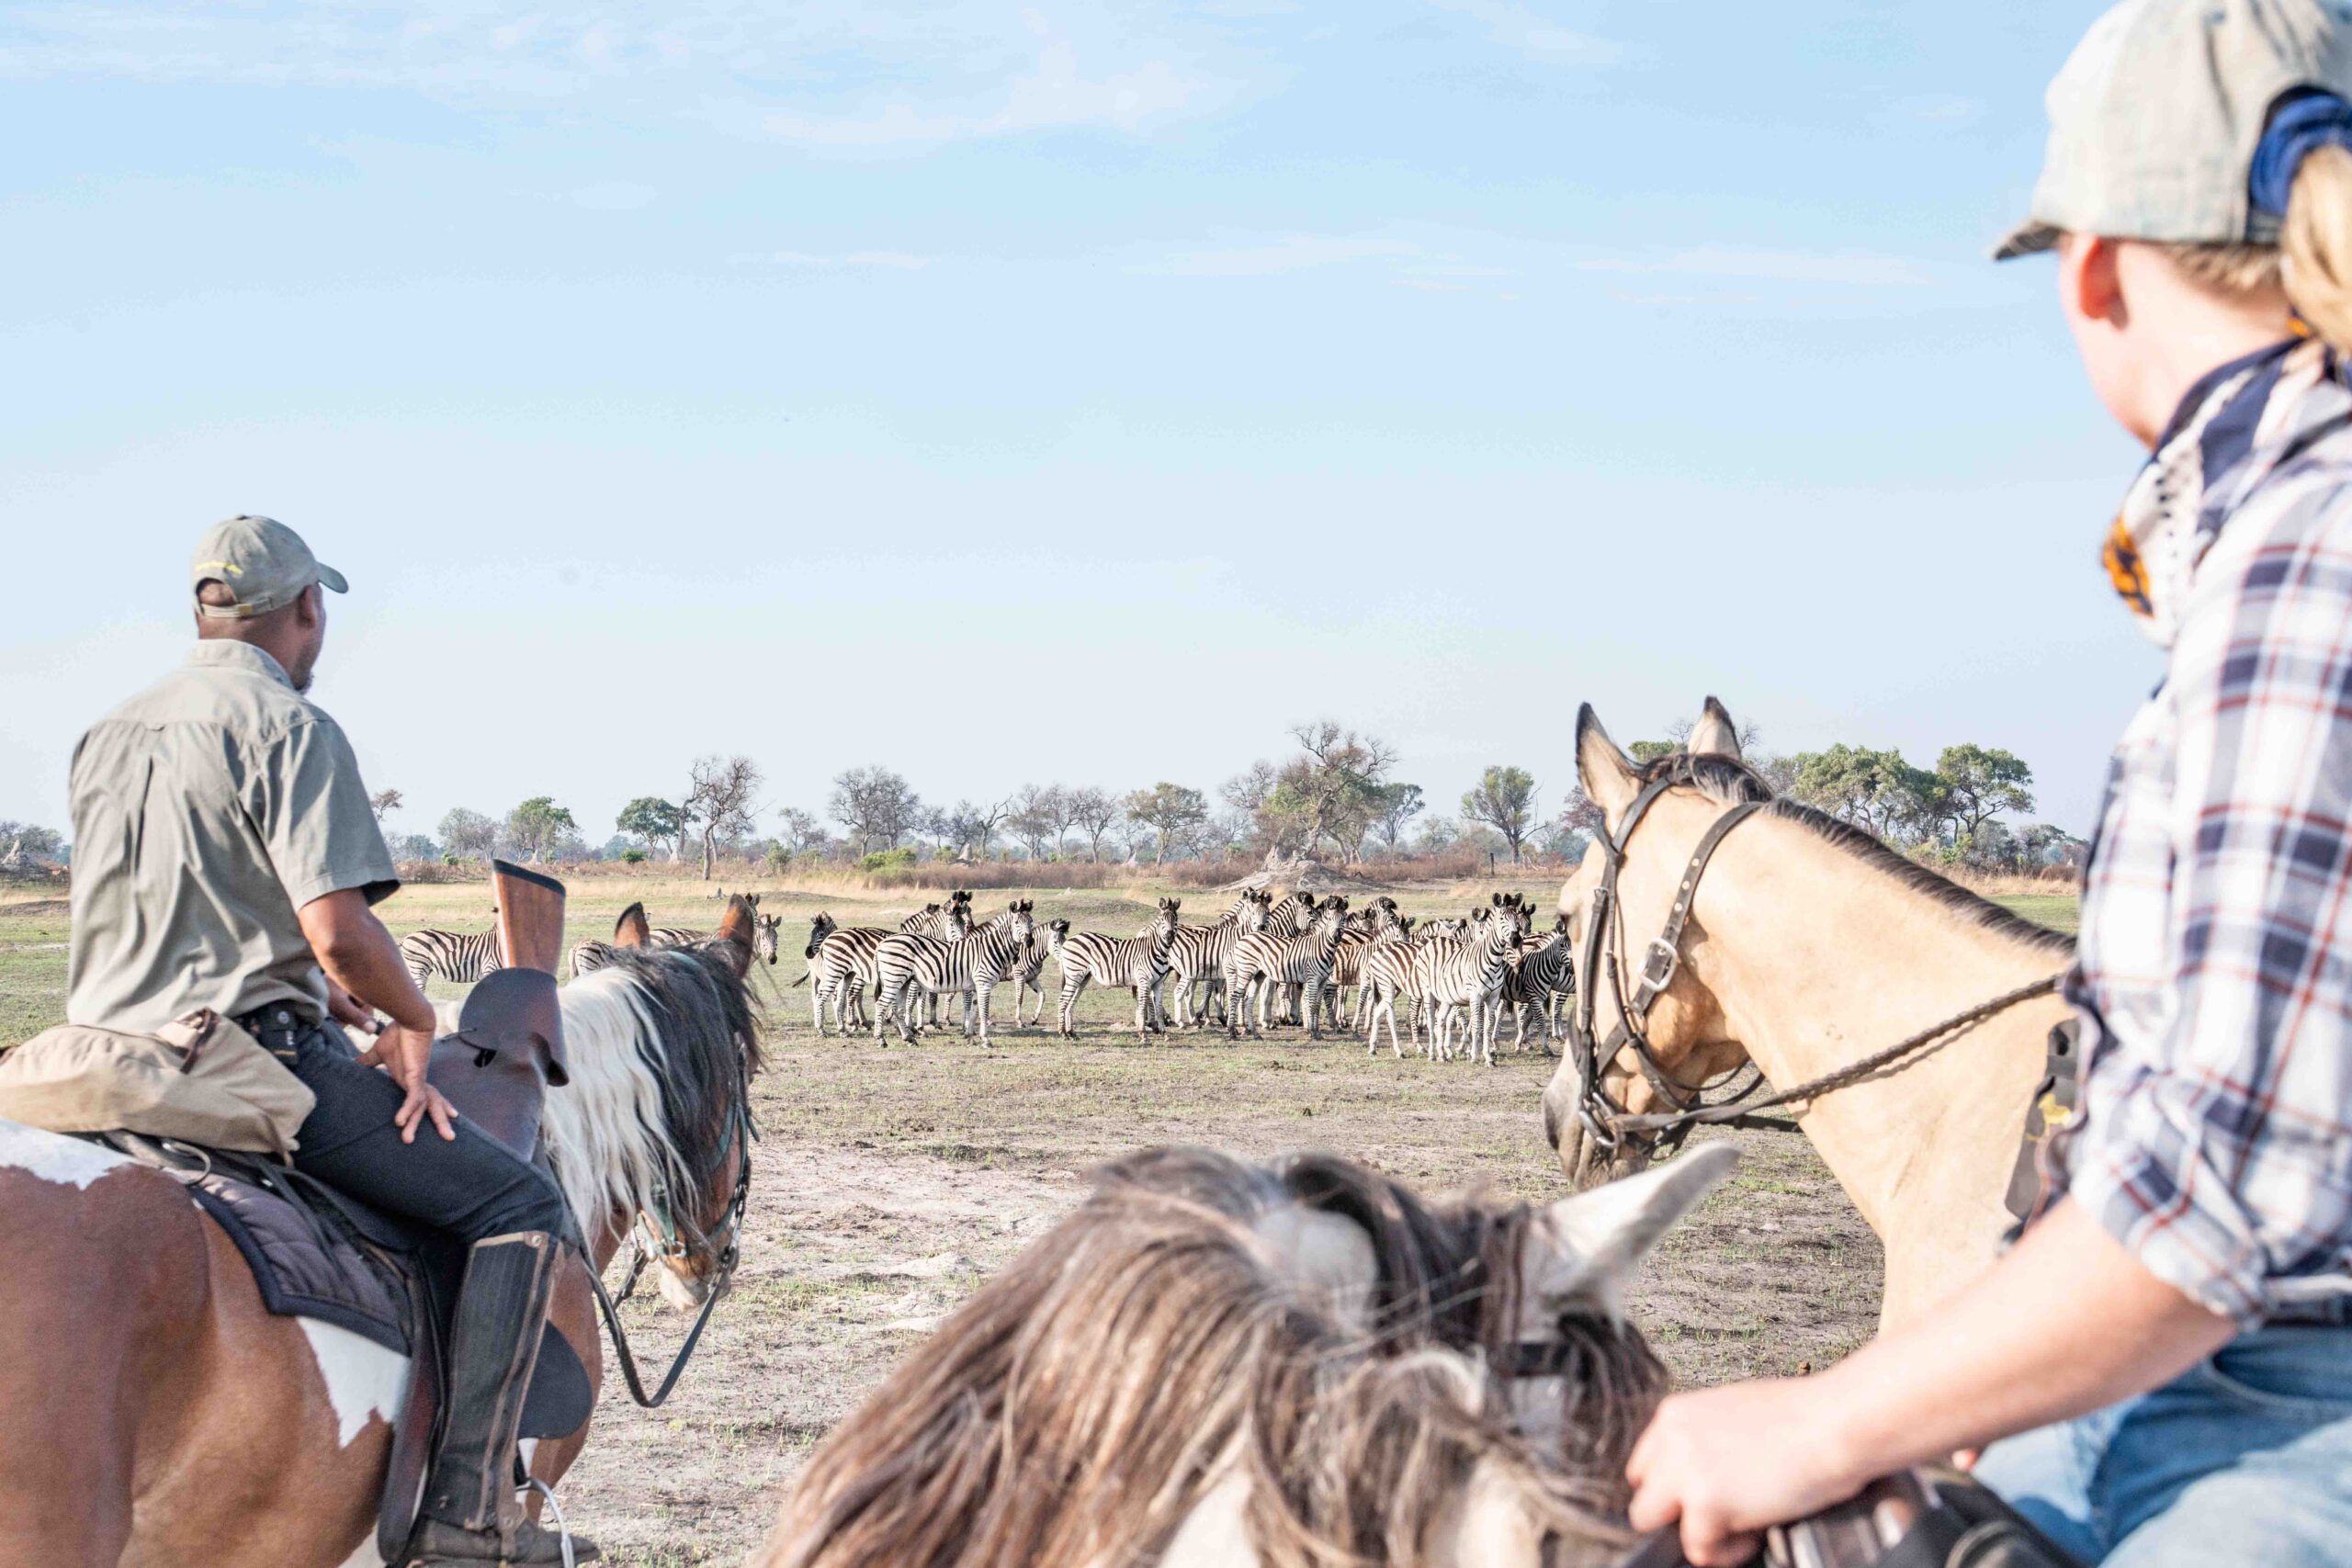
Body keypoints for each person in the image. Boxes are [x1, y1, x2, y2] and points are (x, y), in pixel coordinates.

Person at [1623, 3, 2352, 1563]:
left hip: (2278, 1401)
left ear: (2096, 272)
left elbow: (2221, 1202)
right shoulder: (2266, 540)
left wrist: (1835, 1412)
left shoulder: (2311, 556)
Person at [64, 515, 594, 1566]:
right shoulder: (291, 727)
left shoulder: (107, 732)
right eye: (317, 610)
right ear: (307, 607)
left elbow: (181, 911)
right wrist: (410, 1016)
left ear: (204, 610)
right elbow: (340, 932)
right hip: (236, 1062)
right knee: (519, 1206)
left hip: (83, 1061)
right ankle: (470, 1519)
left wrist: (314, 989)